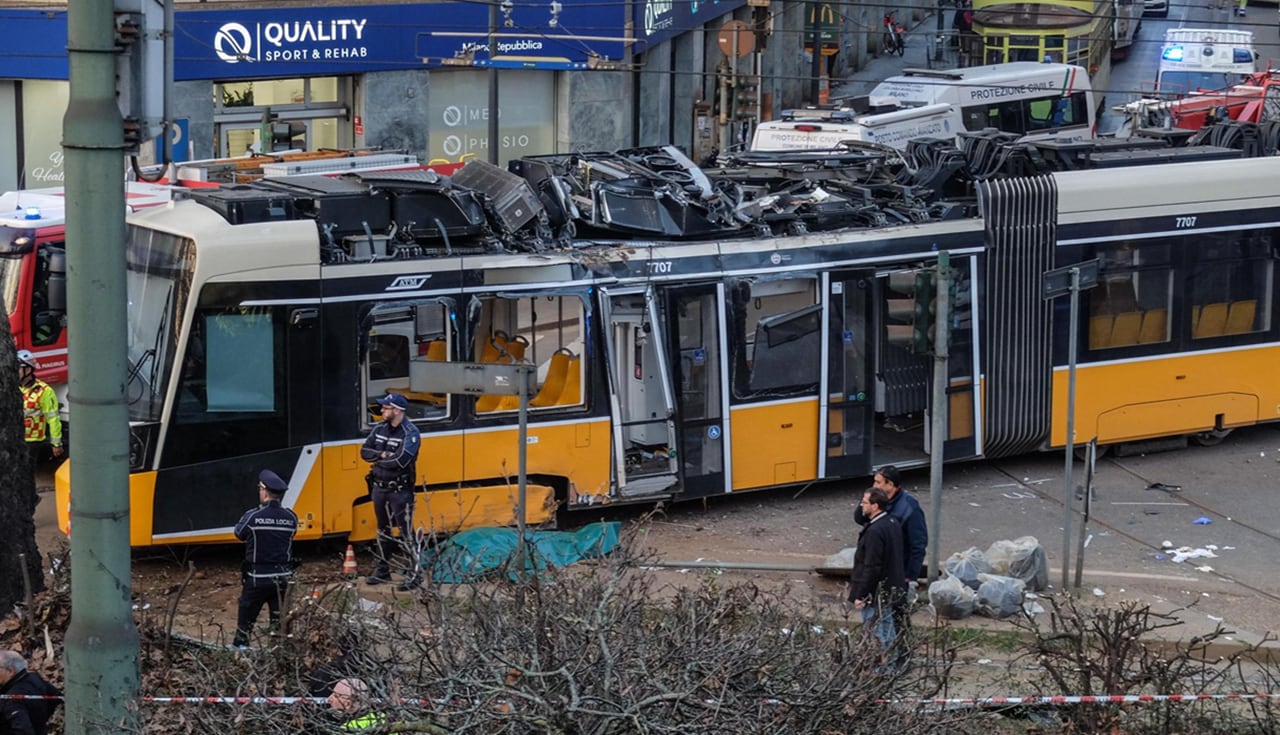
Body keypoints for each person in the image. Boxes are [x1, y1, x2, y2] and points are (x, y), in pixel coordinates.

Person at [360, 393, 421, 589]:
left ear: (397, 410)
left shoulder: (410, 433)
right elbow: (364, 452)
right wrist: (382, 454)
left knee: (405, 532)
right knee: (383, 530)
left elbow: (401, 461)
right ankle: (383, 570)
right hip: (379, 488)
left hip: (400, 490)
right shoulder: (379, 429)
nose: (382, 411)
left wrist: (378, 459)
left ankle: (414, 574)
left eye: (385, 408)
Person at [233, 469, 299, 648]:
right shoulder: (291, 518)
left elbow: (239, 533)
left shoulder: (253, 516)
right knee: (278, 625)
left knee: (245, 625)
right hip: (283, 579)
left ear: (264, 491)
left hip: (257, 579)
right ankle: (277, 656)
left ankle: (240, 652)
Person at [848, 488, 908, 669]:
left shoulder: (875, 531)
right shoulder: (892, 522)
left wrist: (861, 594)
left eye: (864, 502)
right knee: (887, 626)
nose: (861, 505)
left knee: (875, 631)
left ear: (875, 506)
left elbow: (872, 566)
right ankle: (891, 665)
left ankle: (880, 669)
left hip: (875, 591)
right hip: (889, 588)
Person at [17, 350, 63, 465]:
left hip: (32, 442)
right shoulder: (11, 387)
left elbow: (53, 419)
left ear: (28, 370)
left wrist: (56, 444)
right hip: (13, 439)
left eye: (17, 368)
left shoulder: (44, 391)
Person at [0, 650, 62, 735]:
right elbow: (58, 699)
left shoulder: (12, 698)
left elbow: (23, 731)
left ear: (10, 671)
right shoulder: (34, 678)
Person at [327, 678, 397, 734]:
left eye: (335, 695)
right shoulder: (386, 720)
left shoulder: (345, 730)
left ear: (348, 704)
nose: (329, 699)